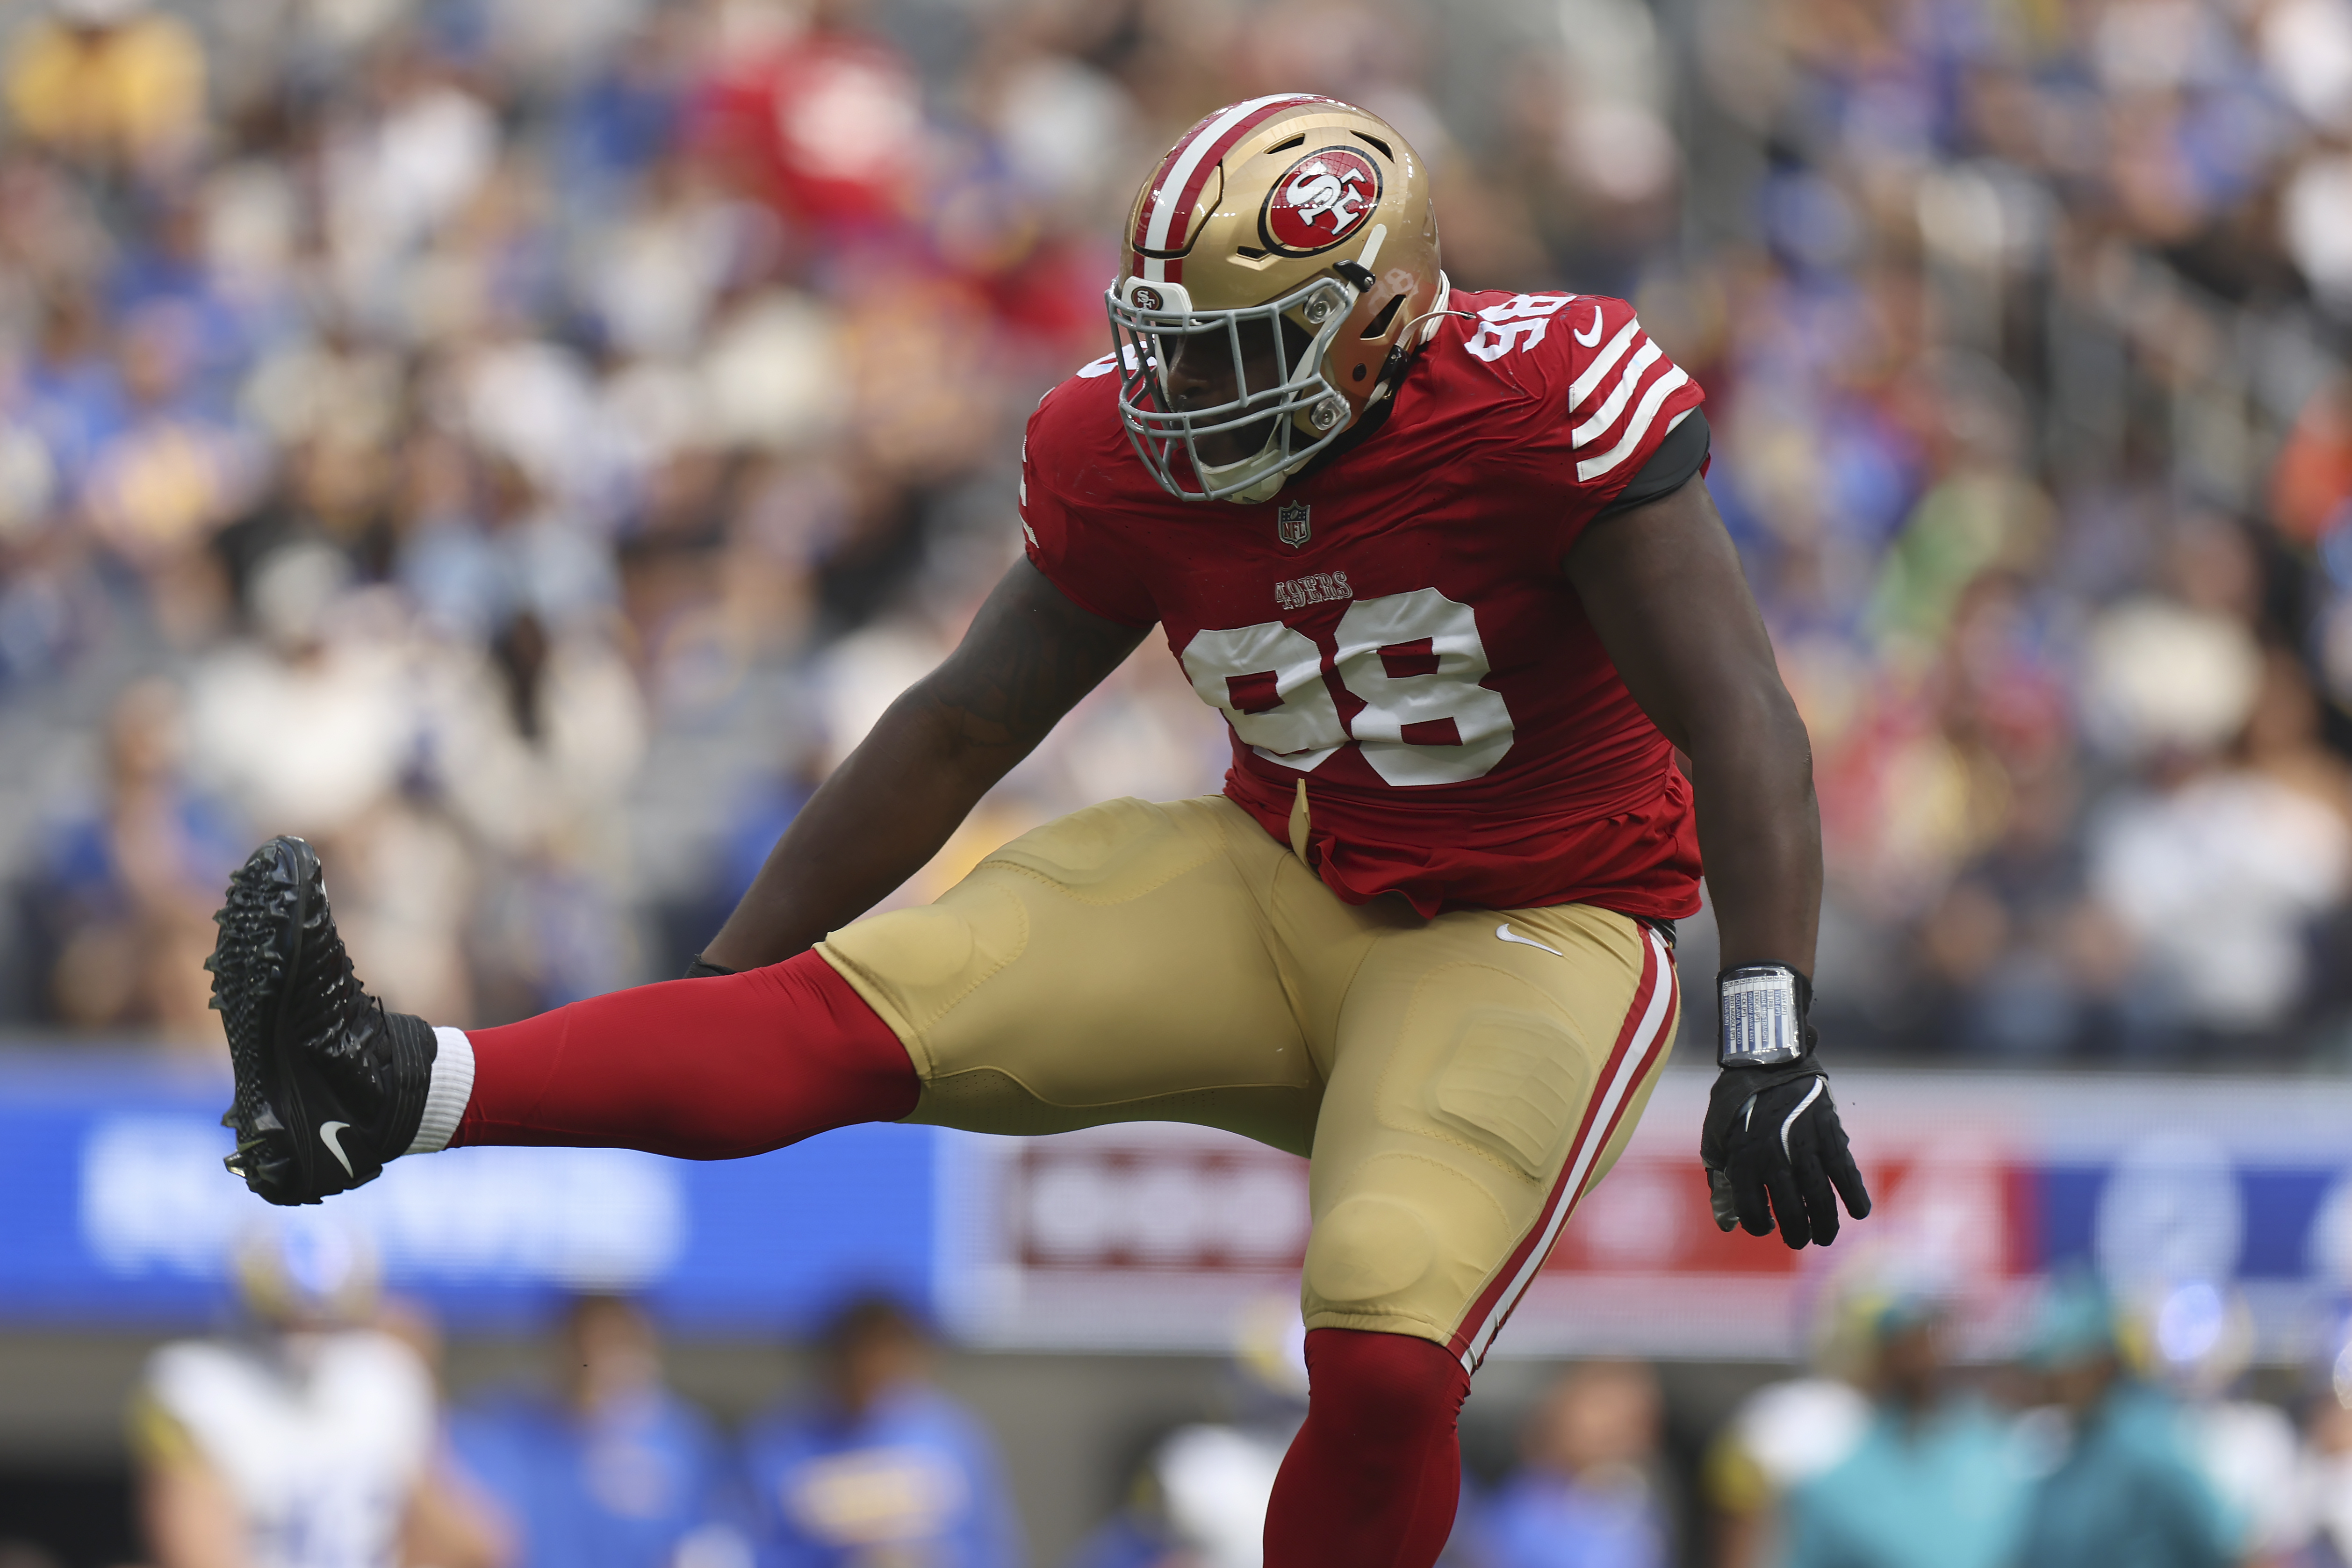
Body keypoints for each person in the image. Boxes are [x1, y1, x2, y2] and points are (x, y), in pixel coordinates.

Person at [204, 95, 1871, 1568]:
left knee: (1376, 1337)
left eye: (1233, 346)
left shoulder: (1540, 401)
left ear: (1374, 327)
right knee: (851, 1007)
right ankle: (388, 1085)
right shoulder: (1115, 450)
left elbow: (1739, 715)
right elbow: (962, 719)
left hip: (1537, 921)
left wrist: (1769, 1015)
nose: (1177, 390)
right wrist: (725, 984)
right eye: (1165, 340)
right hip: (1275, 872)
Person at [129, 1223, 506, 1568]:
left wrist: (424, 1394)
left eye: (322, 1322)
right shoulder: (196, 1391)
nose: (305, 1340)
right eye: (288, 1321)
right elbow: (200, 1554)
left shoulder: (385, 1378)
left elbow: (473, 1548)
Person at [449, 1294, 737, 1568]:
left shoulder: (681, 1441)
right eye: (587, 1345)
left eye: (616, 1344)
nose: (598, 1359)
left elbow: (708, 1541)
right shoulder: (497, 1432)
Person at [739, 1294, 1021, 1568]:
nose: (870, 1367)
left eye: (885, 1352)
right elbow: (753, 1547)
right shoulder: (781, 1440)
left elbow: (991, 1546)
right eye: (858, 1353)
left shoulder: (950, 1436)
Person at [1777, 1291, 2028, 1568]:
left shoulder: (2007, 1456)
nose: (1927, 1354)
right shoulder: (1830, 1479)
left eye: (1934, 1334)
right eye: (1909, 1340)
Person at [2011, 1273, 2237, 1568]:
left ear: (2103, 1363)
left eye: (2064, 1366)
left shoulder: (2149, 1443)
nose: (2051, 1380)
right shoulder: (2060, 1450)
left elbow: (2232, 1545)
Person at [1474, 1361, 1671, 1568]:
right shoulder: (1527, 1506)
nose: (1614, 1428)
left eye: (1631, 1418)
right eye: (1602, 1406)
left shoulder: (1644, 1510)